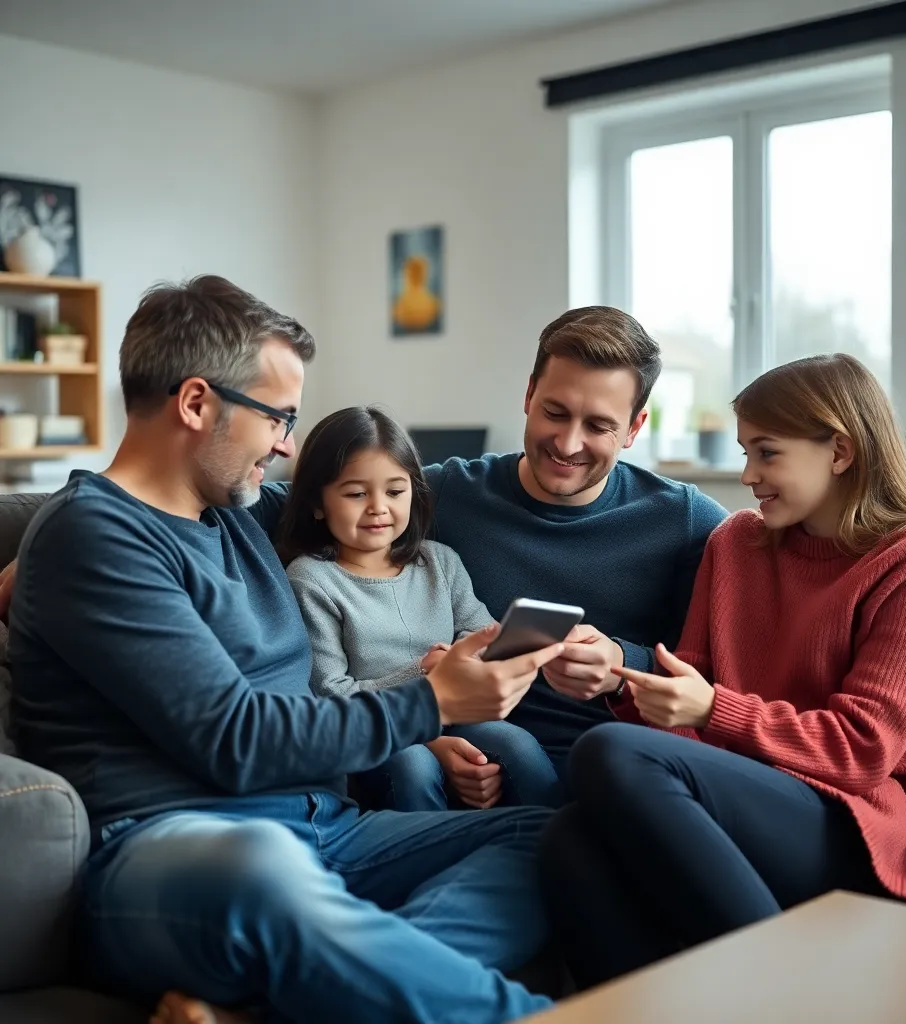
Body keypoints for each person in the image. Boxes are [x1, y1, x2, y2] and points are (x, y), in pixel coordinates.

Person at [8, 275, 565, 1024]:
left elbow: (370, 483)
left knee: (555, 836)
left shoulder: (237, 510)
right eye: (278, 417)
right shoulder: (94, 535)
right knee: (262, 871)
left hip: (322, 830)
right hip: (172, 850)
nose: (288, 444)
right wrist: (432, 703)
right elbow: (234, 739)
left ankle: (288, 1007)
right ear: (197, 403)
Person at [539, 353, 906, 990]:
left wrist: (712, 709)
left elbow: (865, 747)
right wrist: (624, 688)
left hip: (852, 825)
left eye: (766, 454)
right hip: (736, 800)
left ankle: (782, 998)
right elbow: (688, 698)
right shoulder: (735, 544)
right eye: (745, 453)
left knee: (607, 755)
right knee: (566, 840)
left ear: (841, 451)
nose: (746, 475)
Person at [421, 307, 728, 802]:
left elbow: (713, 679)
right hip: (471, 760)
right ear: (528, 396)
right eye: (555, 413)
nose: (567, 444)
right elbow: (315, 510)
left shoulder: (687, 521)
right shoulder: (446, 493)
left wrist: (620, 668)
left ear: (633, 428)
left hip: (614, 779)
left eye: (599, 426)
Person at [278, 405, 562, 811]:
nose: (378, 507)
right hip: (378, 731)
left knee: (515, 743)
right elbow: (330, 695)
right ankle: (426, 861)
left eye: (395, 491)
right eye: (357, 493)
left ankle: (559, 847)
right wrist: (426, 674)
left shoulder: (439, 561)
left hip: (459, 712)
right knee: (414, 766)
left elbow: (477, 629)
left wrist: (474, 653)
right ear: (318, 503)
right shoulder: (312, 580)